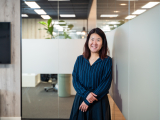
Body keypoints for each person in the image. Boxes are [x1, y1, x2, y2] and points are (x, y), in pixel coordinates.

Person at [69, 28, 112, 120]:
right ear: (87, 41)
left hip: (99, 103)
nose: (94, 43)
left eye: (98, 40)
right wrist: (86, 95)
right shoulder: (80, 59)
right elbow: (75, 80)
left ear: (103, 43)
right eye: (92, 39)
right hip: (81, 101)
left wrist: (88, 101)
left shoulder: (107, 61)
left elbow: (105, 83)